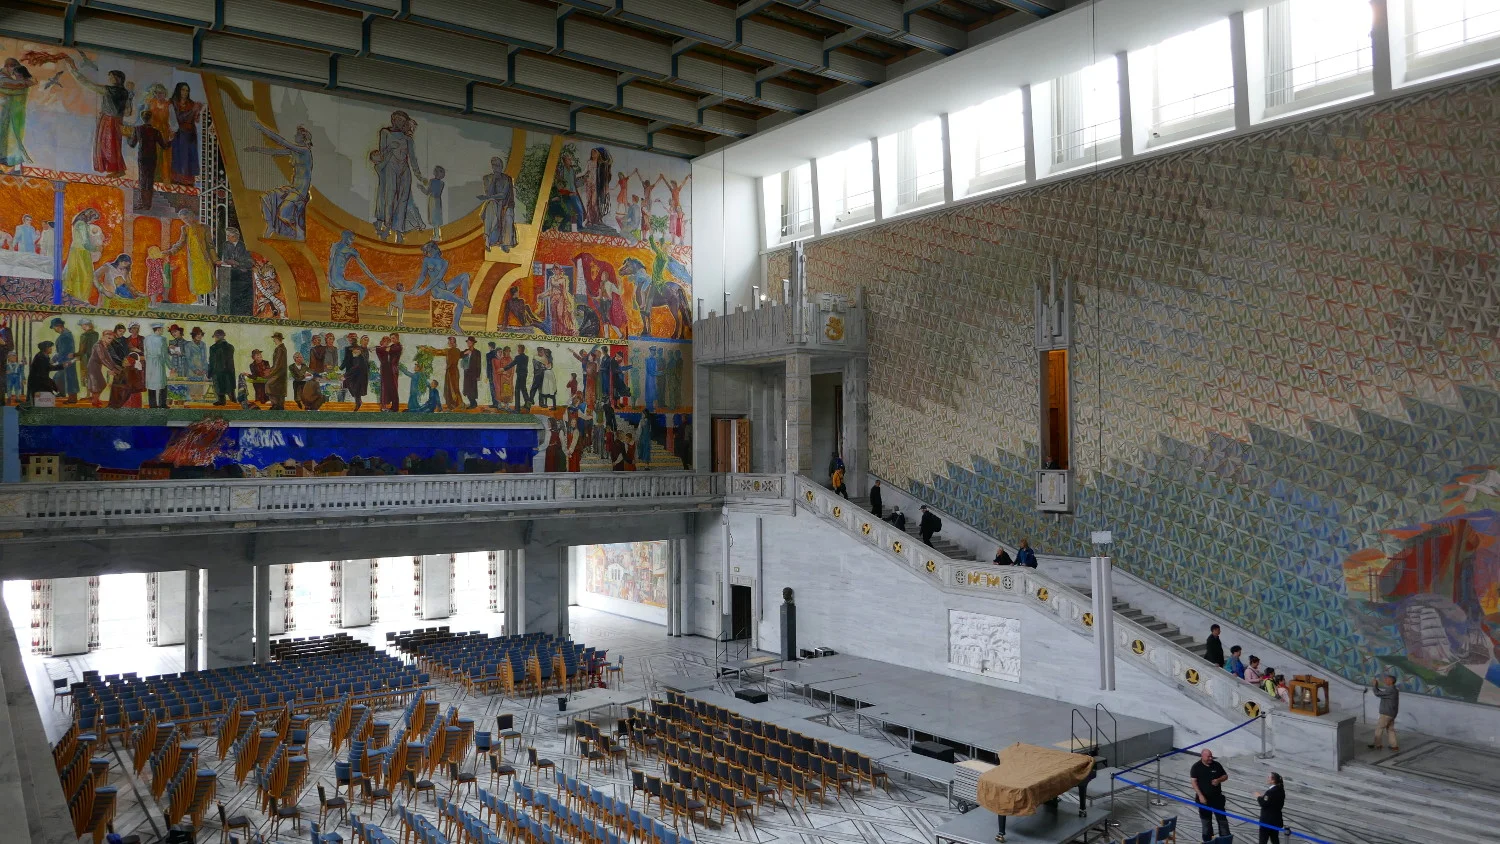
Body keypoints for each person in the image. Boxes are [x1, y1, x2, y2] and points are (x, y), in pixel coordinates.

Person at [371, 111, 423, 241]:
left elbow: (412, 158)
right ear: (393, 120)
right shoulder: (385, 133)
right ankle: (387, 228)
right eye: (399, 120)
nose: (401, 123)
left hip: (404, 170)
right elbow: (382, 154)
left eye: (403, 121)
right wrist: (390, 149)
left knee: (403, 200)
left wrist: (419, 175)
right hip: (391, 167)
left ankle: (399, 232)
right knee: (390, 196)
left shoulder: (407, 139)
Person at [1189, 748, 1230, 843]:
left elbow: (1225, 776)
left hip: (1217, 799)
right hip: (1204, 800)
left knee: (1222, 821)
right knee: (1206, 822)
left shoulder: (1216, 765)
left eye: (1211, 756)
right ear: (1202, 756)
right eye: (1208, 756)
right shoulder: (1196, 767)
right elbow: (1194, 782)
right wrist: (1200, 795)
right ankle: (1208, 841)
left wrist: (1218, 780)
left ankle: (1225, 840)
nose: (1211, 758)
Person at [479, 155, 517, 251]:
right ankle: (487, 237)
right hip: (493, 203)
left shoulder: (507, 179)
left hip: (505, 204)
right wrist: (493, 180)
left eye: (498, 165)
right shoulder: (487, 178)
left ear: (501, 166)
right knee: (491, 206)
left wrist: (491, 197)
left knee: (507, 215)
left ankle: (505, 242)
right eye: (494, 165)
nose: (496, 168)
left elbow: (503, 195)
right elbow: (489, 192)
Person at [48, 318, 77, 403]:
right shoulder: (65, 335)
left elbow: (63, 351)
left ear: (58, 326)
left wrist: (53, 360)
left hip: (67, 361)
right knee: (59, 377)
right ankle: (62, 393)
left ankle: (72, 399)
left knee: (70, 379)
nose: (54, 329)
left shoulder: (65, 336)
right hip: (64, 360)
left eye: (54, 327)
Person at [1369, 674, 1400, 752]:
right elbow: (1382, 694)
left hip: (1386, 714)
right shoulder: (1393, 689)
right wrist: (1377, 687)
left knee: (1379, 728)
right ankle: (1394, 746)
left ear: (1391, 681)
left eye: (1387, 679)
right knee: (1390, 730)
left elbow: (1377, 694)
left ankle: (1377, 745)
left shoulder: (1390, 690)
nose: (1385, 680)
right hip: (1391, 714)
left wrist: (1374, 685)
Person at [1254, 772, 1285, 844]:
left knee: (1263, 840)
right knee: (1275, 839)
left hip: (1267, 820)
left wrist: (1258, 797)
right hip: (1276, 819)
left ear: (1273, 780)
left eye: (1269, 777)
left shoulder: (1270, 792)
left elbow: (1263, 803)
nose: (1267, 778)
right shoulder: (1281, 790)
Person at [143, 323, 168, 408]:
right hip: (159, 362)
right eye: (162, 329)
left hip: (150, 363)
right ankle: (162, 404)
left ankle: (152, 405)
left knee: (151, 384)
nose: (162, 331)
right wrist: (170, 366)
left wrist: (149, 361)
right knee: (163, 384)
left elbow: (145, 352)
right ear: (158, 329)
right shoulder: (163, 339)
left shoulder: (147, 338)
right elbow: (165, 355)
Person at [208, 329, 234, 406]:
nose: (215, 339)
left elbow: (212, 361)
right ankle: (233, 400)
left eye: (215, 337)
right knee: (229, 386)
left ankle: (222, 401)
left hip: (217, 371)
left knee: (219, 386)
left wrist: (209, 372)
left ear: (217, 337)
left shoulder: (213, 347)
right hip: (229, 371)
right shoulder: (230, 347)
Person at [376, 335, 402, 412]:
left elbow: (388, 349)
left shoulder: (397, 347)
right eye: (391, 339)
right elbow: (383, 350)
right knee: (387, 388)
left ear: (397, 338)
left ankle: (394, 408)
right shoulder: (391, 346)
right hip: (387, 370)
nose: (391, 340)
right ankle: (388, 407)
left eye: (393, 338)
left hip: (392, 370)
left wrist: (376, 348)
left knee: (393, 389)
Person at [343, 344, 370, 411]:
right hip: (358, 377)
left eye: (354, 351)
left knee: (357, 391)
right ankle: (359, 403)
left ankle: (358, 404)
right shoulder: (358, 358)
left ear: (359, 351)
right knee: (356, 391)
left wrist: (345, 375)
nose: (352, 353)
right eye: (352, 351)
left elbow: (355, 368)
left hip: (359, 378)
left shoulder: (359, 359)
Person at [504, 344, 531, 411]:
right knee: (524, 389)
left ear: (520, 350)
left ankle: (517, 409)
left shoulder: (518, 357)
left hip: (520, 375)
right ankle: (528, 406)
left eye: (518, 349)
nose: (518, 350)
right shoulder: (526, 357)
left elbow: (512, 364)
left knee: (517, 390)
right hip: (524, 374)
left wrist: (504, 369)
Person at [266, 332, 288, 411]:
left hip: (279, 373)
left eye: (274, 339)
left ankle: (275, 405)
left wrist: (270, 374)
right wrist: (270, 369)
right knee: (279, 390)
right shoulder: (281, 348)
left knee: (269, 385)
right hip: (280, 373)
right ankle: (279, 406)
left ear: (277, 339)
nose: (273, 341)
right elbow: (276, 363)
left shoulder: (280, 349)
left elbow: (277, 364)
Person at [460, 336, 482, 409]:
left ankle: (473, 404)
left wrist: (478, 375)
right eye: (467, 342)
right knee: (467, 389)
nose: (468, 343)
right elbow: (460, 355)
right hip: (466, 373)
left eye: (470, 342)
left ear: (473, 343)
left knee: (472, 389)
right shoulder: (466, 350)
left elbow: (479, 364)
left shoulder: (477, 352)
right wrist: (466, 352)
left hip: (473, 374)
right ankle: (473, 403)